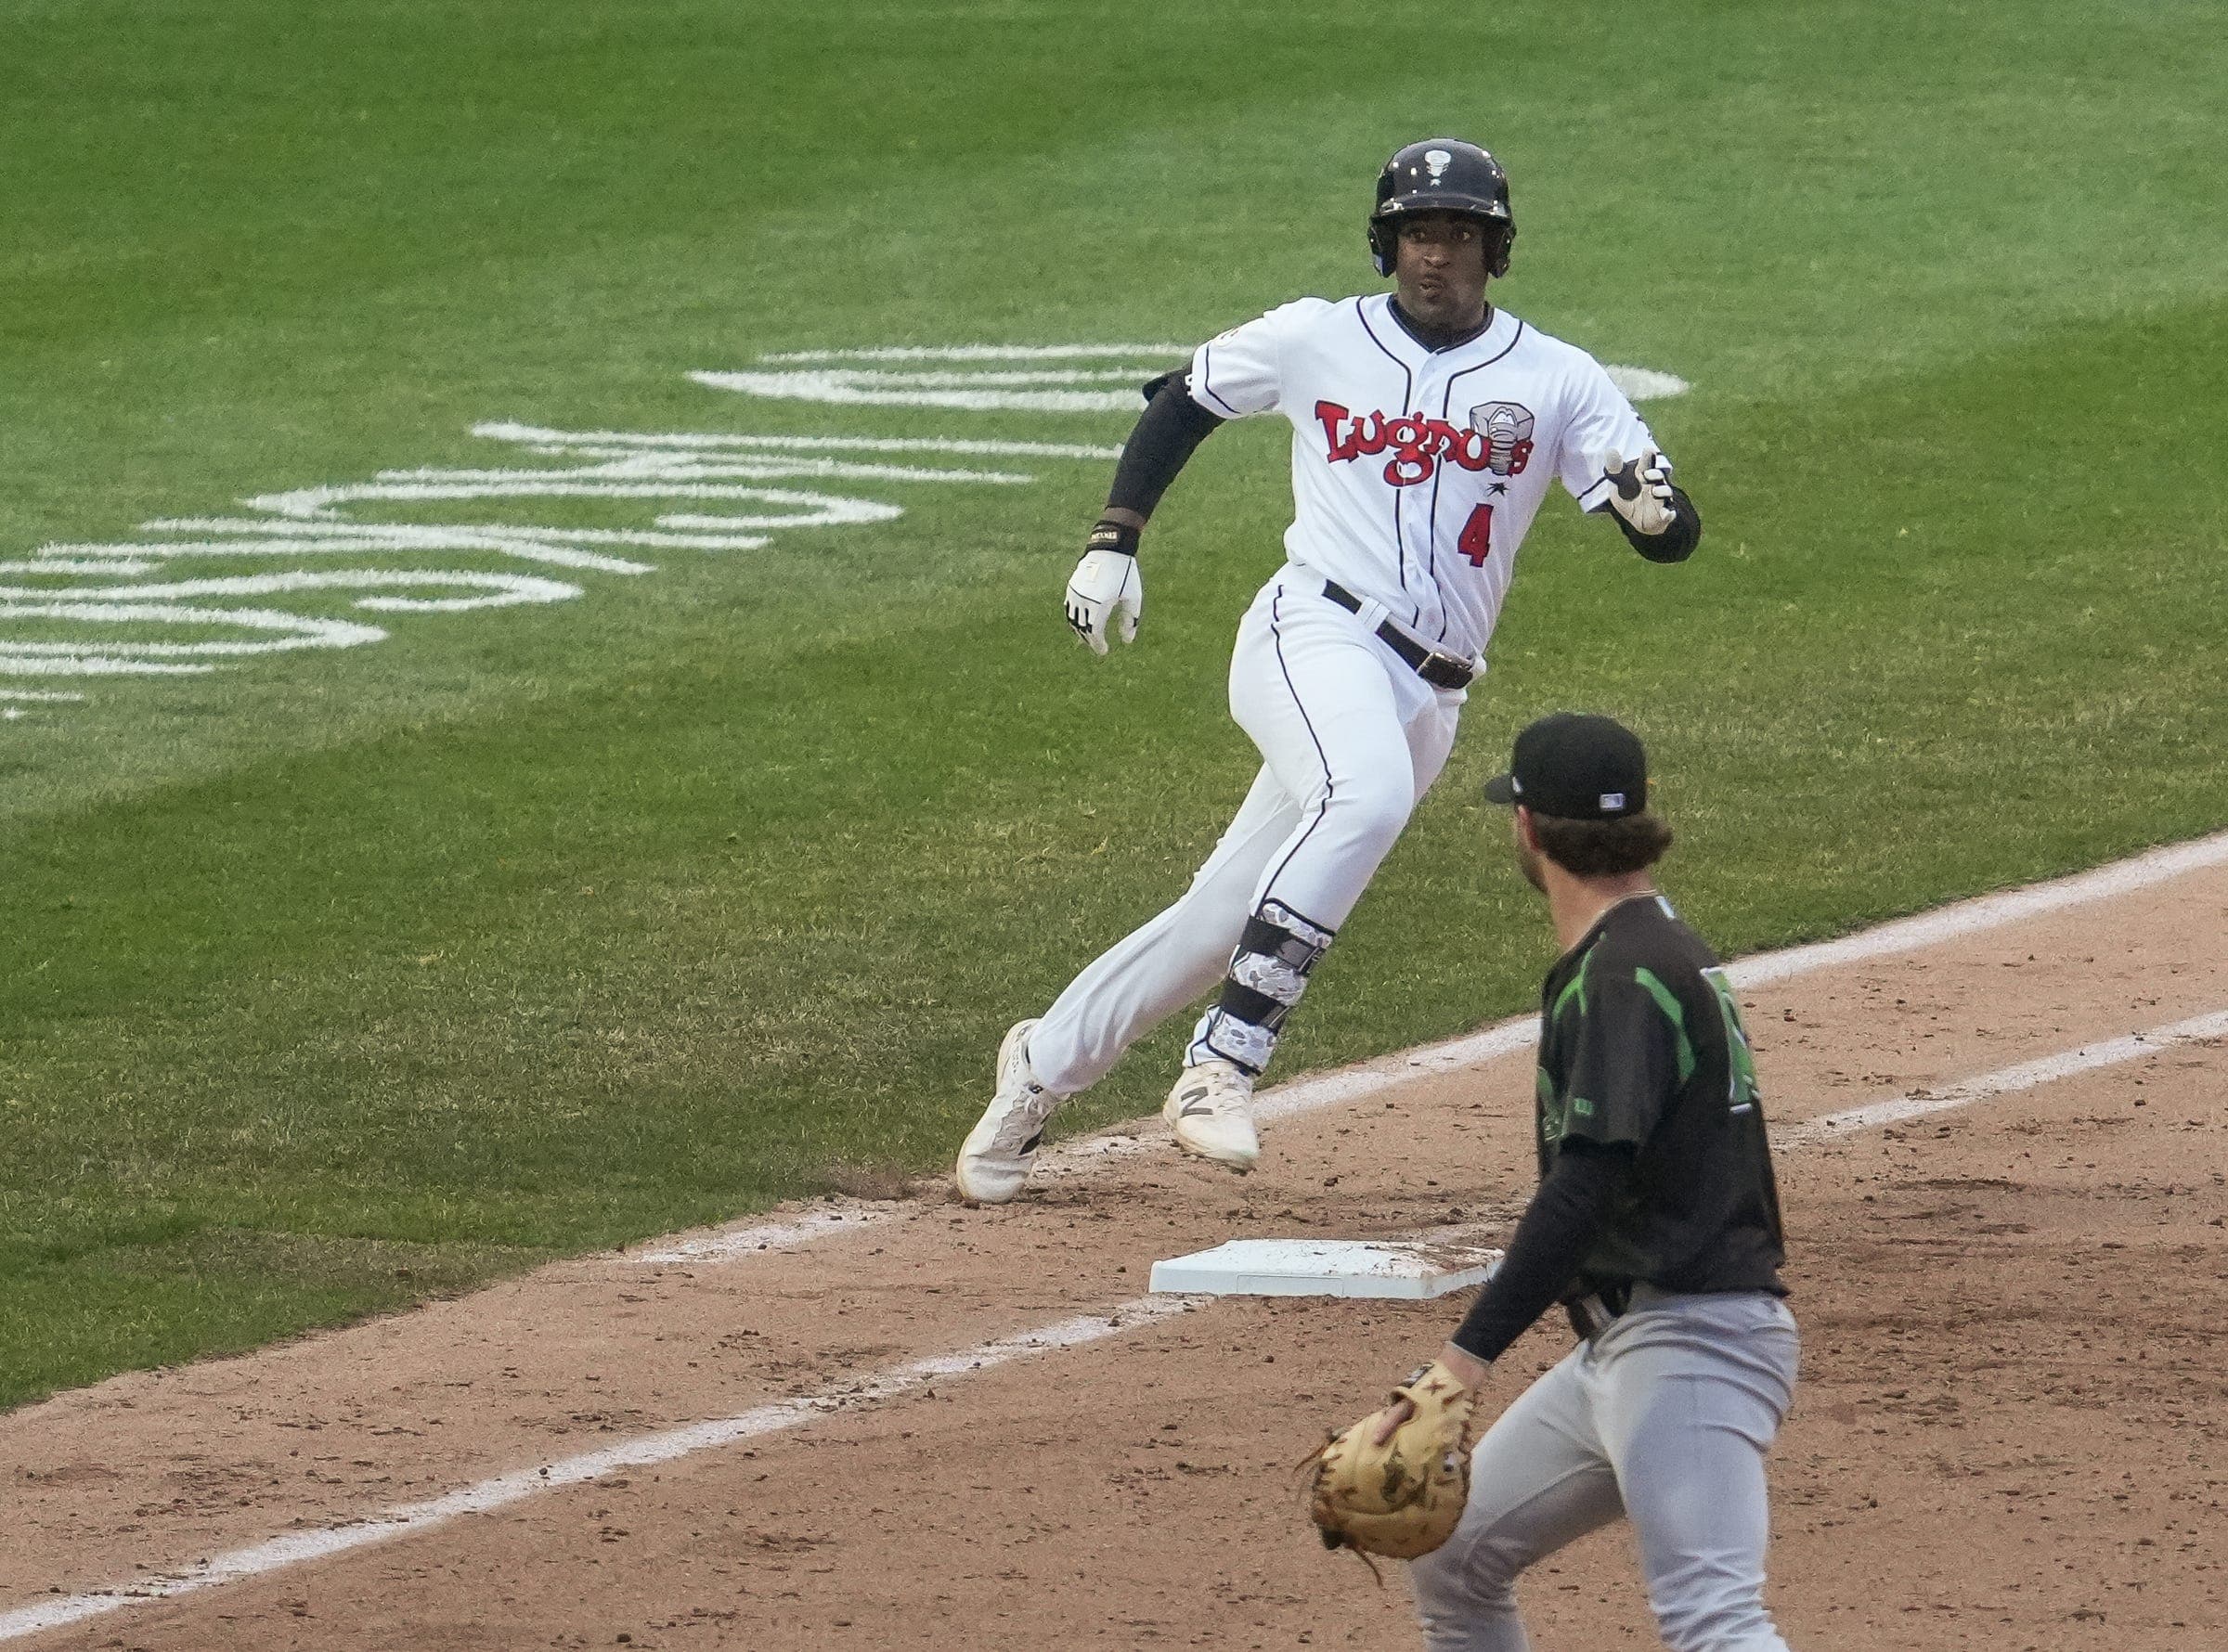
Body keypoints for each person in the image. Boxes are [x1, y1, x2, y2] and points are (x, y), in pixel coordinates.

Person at [955, 140, 1703, 1204]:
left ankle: (1040, 1065)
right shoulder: (1316, 336)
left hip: (1432, 691)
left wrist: (1653, 514)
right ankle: (1224, 1061)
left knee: (1224, 916)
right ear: (1386, 243)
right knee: (1363, 796)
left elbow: (1666, 530)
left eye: (1454, 234)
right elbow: (1185, 400)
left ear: (1494, 248)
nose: (1431, 255)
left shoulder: (1558, 379)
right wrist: (1113, 539)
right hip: (1313, 634)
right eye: (1412, 233)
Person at [1375, 712, 1798, 1651]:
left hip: (1691, 1341)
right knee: (1456, 1556)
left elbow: (1584, 1186)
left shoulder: (1623, 973)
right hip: (1634, 1342)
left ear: (1527, 828)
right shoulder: (1650, 946)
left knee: (1715, 1620)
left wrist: (1460, 1360)